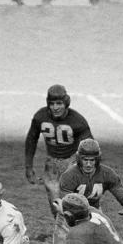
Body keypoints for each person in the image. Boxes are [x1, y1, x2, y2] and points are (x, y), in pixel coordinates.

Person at [25, 84, 94, 219]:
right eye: (52, 103)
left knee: (76, 206)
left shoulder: (77, 121)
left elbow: (89, 147)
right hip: (52, 164)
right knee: (56, 208)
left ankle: (85, 232)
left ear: (66, 103)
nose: (55, 107)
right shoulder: (40, 116)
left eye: (59, 103)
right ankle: (63, 235)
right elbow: (31, 139)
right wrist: (28, 166)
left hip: (72, 161)